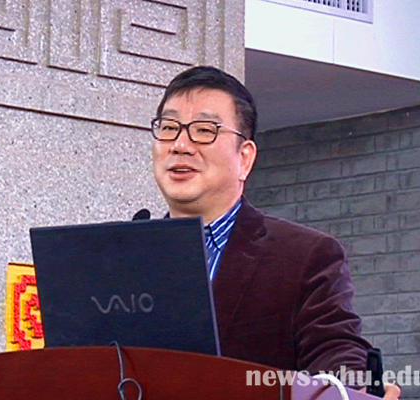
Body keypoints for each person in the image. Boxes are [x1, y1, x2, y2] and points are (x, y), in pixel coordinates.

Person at [150, 66, 400, 398]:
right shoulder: (120, 257)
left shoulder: (305, 256)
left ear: (244, 158)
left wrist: (353, 392)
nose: (180, 145)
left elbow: (337, 358)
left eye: (204, 130)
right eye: (169, 128)